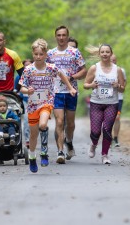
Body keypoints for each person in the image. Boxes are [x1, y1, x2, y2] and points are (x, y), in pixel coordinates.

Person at [19, 39, 76, 173]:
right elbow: (21, 87)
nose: (38, 57)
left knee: (43, 125)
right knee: (33, 135)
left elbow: (61, 75)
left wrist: (70, 88)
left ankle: (44, 152)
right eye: (36, 54)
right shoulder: (28, 69)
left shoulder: (51, 68)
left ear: (45, 55)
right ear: (33, 54)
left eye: (41, 54)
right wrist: (28, 91)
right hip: (33, 104)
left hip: (47, 102)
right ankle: (32, 157)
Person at [46, 26, 86, 164]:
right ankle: (60, 151)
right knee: (59, 122)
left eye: (64, 35)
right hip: (56, 92)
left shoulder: (75, 52)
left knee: (70, 123)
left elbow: (84, 71)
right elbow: (45, 71)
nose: (61, 38)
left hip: (71, 91)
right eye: (59, 35)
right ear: (55, 36)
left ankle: (69, 140)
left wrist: (72, 77)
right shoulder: (50, 54)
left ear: (67, 37)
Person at [83, 44, 125, 164]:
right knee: (95, 131)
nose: (105, 54)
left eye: (107, 52)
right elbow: (85, 85)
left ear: (111, 54)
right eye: (103, 52)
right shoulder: (94, 68)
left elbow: (122, 89)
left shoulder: (118, 70)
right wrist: (92, 85)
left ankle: (105, 155)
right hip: (96, 103)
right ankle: (94, 144)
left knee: (107, 129)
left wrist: (118, 86)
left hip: (112, 103)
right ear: (99, 54)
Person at [14, 59, 32, 148]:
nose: (27, 67)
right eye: (25, 65)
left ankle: (33, 137)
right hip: (24, 100)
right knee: (26, 120)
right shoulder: (19, 77)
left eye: (29, 65)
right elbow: (15, 90)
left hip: (36, 101)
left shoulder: (36, 75)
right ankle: (27, 140)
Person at [111, 54, 127, 147]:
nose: (113, 62)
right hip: (107, 98)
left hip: (118, 98)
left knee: (117, 117)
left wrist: (120, 88)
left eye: (114, 60)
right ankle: (108, 137)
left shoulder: (121, 70)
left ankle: (116, 137)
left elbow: (125, 82)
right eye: (111, 60)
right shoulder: (103, 70)